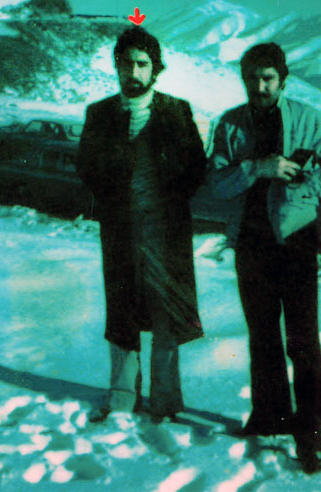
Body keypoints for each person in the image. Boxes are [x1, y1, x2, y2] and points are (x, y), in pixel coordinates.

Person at [206, 42, 321, 473]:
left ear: (283, 80)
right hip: (251, 241)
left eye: (268, 78)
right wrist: (258, 168)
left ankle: (309, 437)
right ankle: (268, 417)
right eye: (252, 78)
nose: (260, 86)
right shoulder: (230, 124)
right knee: (262, 336)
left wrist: (307, 185)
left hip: (295, 239)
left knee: (302, 340)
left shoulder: (310, 120)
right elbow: (217, 183)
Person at [77, 27, 207, 422]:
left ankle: (165, 399)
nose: (133, 71)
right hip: (121, 231)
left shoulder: (177, 111)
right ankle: (122, 395)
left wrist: (164, 200)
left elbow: (195, 170)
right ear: (116, 66)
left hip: (166, 233)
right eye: (126, 63)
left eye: (141, 64)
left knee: (167, 311)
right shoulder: (99, 113)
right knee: (121, 309)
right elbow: (87, 169)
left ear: (155, 68)